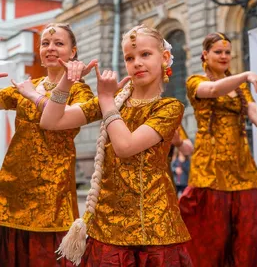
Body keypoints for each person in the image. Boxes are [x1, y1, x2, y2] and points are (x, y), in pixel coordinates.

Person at [38, 25, 193, 267]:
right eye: (129, 58)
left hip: (154, 231)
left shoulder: (169, 108)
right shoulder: (117, 100)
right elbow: (50, 121)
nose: (137, 63)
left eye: (145, 55)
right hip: (107, 228)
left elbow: (125, 146)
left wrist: (106, 100)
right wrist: (67, 82)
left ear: (164, 58)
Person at [0, 23, 94, 267]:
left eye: (59, 44)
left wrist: (34, 95)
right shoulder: (27, 85)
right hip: (11, 187)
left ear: (73, 52)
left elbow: (57, 120)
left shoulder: (80, 90)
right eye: (45, 43)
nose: (50, 48)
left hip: (53, 192)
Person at [179, 32, 257, 267]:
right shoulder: (195, 82)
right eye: (218, 52)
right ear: (205, 55)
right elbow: (214, 90)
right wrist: (246, 74)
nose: (224, 56)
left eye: (227, 52)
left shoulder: (239, 88)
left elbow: (252, 110)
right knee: (212, 235)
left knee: (251, 232)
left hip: (241, 166)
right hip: (211, 168)